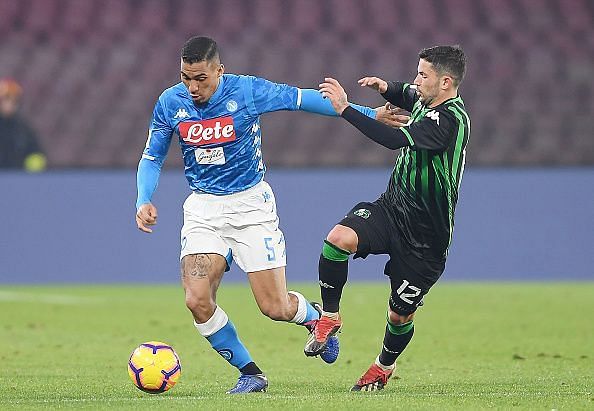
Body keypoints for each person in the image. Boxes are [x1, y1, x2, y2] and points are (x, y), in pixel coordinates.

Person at [134, 36, 402, 394]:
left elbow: (302, 99)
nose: (193, 86)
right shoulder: (171, 102)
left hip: (251, 208)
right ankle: (251, 373)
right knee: (196, 299)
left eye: (201, 78)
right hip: (203, 208)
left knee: (274, 307)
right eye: (186, 77)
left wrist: (368, 113)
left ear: (219, 71)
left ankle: (316, 318)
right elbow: (152, 156)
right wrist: (143, 199)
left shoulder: (246, 91)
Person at [303, 45, 470, 391]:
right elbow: (407, 93)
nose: (416, 80)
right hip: (393, 209)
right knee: (338, 239)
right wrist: (385, 87)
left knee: (399, 315)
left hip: (426, 239)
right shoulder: (427, 99)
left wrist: (345, 109)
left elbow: (394, 139)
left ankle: (383, 366)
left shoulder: (450, 120)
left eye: (423, 74)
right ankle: (330, 316)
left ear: (446, 82)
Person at [0, 79, 47, 171]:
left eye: (14, 100)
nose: (9, 104)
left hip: (18, 178)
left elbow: (36, 153)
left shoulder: (23, 129)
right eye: (5, 99)